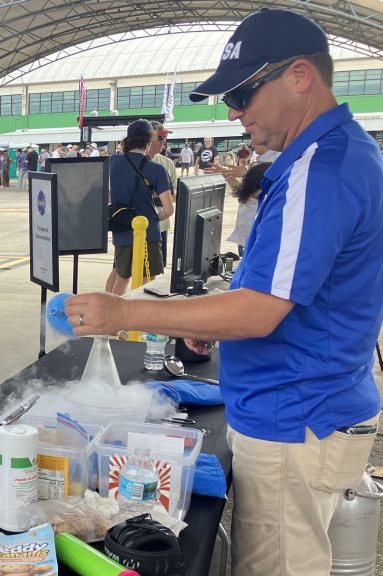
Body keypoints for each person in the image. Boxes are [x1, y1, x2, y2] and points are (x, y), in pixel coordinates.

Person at [67, 9, 383, 576]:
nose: (235, 112)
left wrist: (122, 311)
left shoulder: (322, 167)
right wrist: (207, 317)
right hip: (300, 407)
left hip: (295, 414)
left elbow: (261, 310)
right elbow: (279, 288)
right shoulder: (326, 157)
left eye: (243, 93)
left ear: (300, 76)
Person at [104, 119, 173, 295]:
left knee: (121, 278)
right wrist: (155, 218)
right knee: (145, 282)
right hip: (148, 232)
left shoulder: (113, 162)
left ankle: (112, 319)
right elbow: (168, 209)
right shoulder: (157, 170)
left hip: (122, 229)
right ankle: (139, 320)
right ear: (149, 140)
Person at [226, 162, 272, 257]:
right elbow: (238, 191)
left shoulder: (263, 196)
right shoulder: (255, 194)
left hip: (256, 242)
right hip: (246, 240)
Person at [149, 121, 178, 263]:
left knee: (155, 269)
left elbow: (173, 196)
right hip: (133, 228)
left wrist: (160, 198)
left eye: (165, 137)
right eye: (160, 138)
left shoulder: (167, 163)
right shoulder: (125, 162)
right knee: (121, 271)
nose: (164, 142)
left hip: (160, 227)